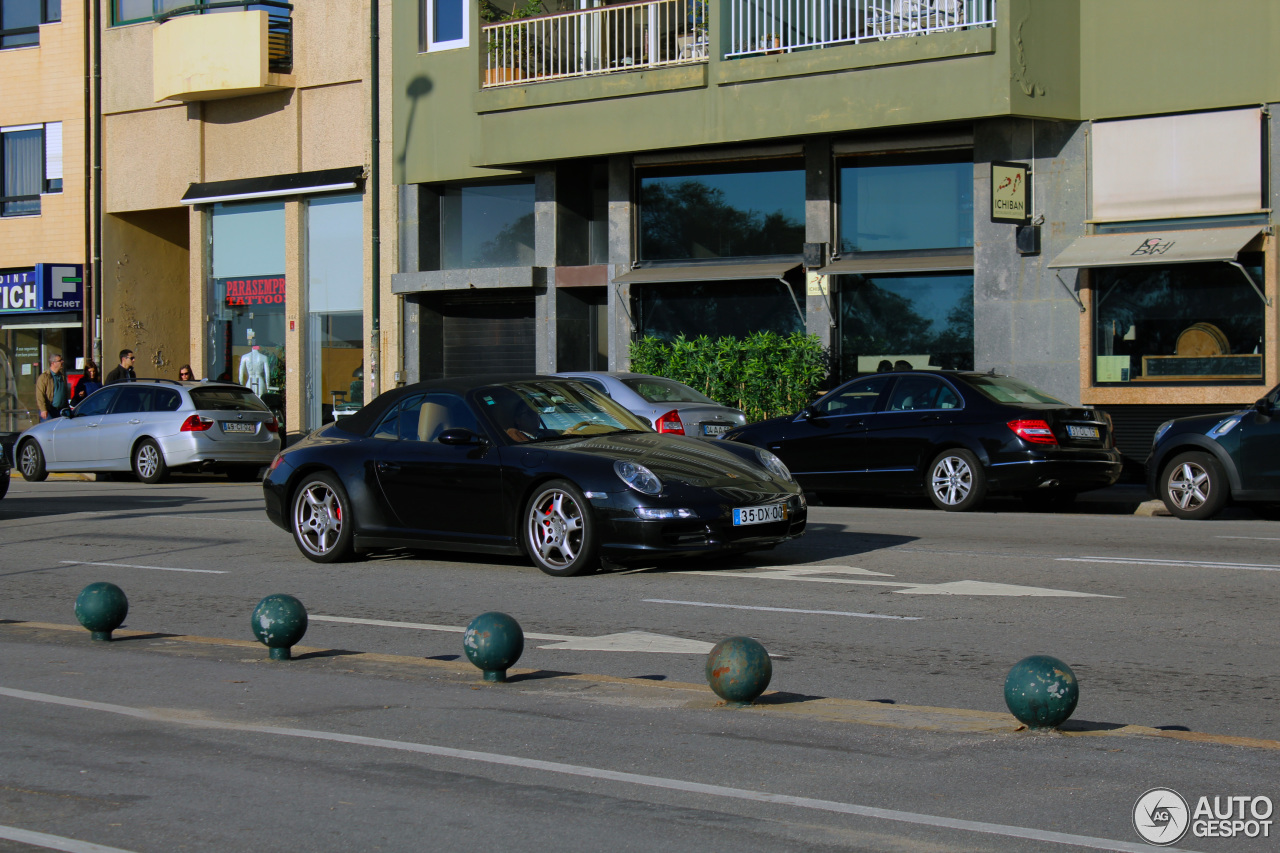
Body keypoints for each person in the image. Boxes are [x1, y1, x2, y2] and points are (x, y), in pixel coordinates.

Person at [34, 354, 70, 421]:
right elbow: (40, 395)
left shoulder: (62, 376)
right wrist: (43, 409)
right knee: (49, 430)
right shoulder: (44, 377)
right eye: (60, 360)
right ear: (53, 363)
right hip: (49, 411)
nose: (62, 362)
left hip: (61, 410)